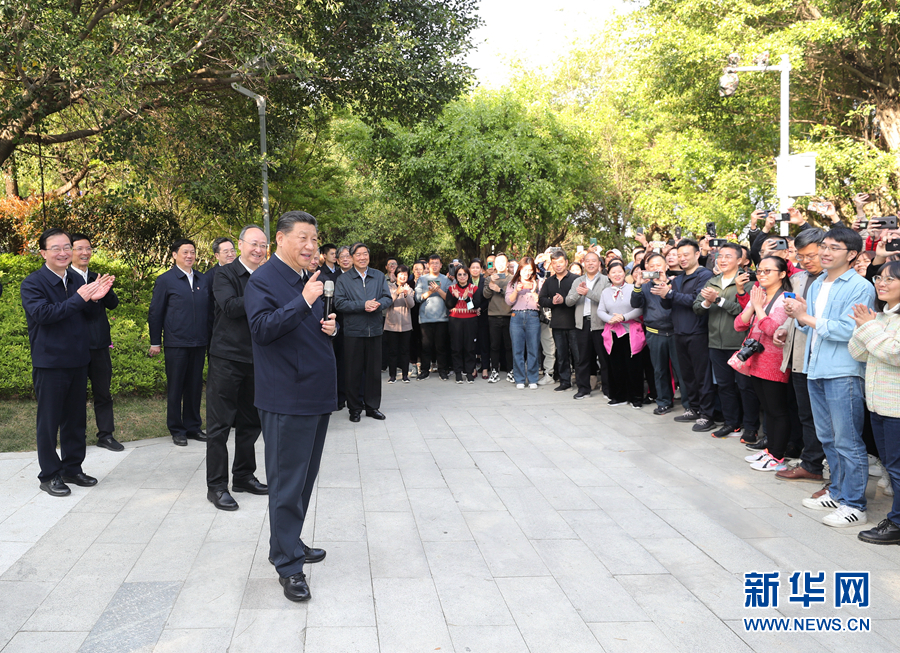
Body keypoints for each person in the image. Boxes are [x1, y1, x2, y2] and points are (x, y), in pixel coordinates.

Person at [244, 210, 336, 602]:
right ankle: (287, 565)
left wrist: (329, 326)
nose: (311, 246)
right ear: (280, 239)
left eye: (314, 238)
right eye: (303, 238)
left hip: (315, 392)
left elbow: (303, 326)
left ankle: (290, 540)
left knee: (304, 479)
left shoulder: (305, 278)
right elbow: (262, 330)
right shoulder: (263, 280)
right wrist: (303, 301)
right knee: (286, 483)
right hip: (286, 396)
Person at [786, 227, 876, 527]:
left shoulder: (861, 287)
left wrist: (805, 317)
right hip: (815, 368)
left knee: (847, 440)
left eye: (834, 248)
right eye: (824, 246)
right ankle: (837, 492)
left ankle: (855, 504)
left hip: (843, 371)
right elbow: (808, 325)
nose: (825, 252)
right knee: (827, 437)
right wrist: (798, 315)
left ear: (852, 255)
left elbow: (850, 330)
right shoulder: (817, 284)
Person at [20, 228, 115, 495]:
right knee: (49, 422)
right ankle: (49, 475)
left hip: (78, 359)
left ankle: (72, 468)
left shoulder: (75, 280)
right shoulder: (33, 283)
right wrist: (80, 298)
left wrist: (96, 299)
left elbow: (87, 314)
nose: (63, 253)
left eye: (66, 248)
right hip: (50, 362)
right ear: (43, 253)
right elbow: (44, 314)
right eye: (56, 248)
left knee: (75, 420)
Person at [205, 225, 269, 511]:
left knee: (251, 423)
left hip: (258, 359)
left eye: (263, 245)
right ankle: (216, 487)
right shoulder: (224, 274)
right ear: (241, 245)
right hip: (227, 359)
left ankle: (243, 476)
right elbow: (230, 307)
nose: (258, 250)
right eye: (254, 244)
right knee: (219, 426)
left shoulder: (267, 275)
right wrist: (266, 295)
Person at [849, 260, 900, 544]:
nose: (881, 283)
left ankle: (897, 523)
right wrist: (866, 327)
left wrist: (869, 329)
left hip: (897, 407)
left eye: (890, 279)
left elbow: (894, 353)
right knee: (892, 467)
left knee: (897, 468)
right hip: (878, 403)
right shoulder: (879, 317)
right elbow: (858, 352)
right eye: (879, 278)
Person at [773, 227, 827, 480]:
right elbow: (793, 314)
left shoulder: (834, 281)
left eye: (811, 255)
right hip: (797, 357)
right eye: (801, 256)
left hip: (822, 358)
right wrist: (784, 328)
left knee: (822, 417)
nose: (805, 261)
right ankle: (811, 462)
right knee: (805, 413)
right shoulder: (798, 279)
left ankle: (821, 463)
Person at [148, 239, 211, 446]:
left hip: (199, 342)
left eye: (192, 252)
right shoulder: (165, 280)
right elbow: (156, 312)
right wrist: (155, 341)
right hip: (176, 342)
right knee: (176, 387)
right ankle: (177, 429)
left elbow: (210, 311)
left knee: (194, 387)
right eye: (185, 252)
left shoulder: (203, 279)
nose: (189, 256)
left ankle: (193, 427)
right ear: (175, 255)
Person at [693, 242, 756, 439]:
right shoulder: (712, 282)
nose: (723, 260)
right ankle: (731, 423)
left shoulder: (748, 282)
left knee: (745, 387)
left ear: (740, 260)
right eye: (720, 256)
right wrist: (707, 301)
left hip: (739, 344)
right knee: (724, 386)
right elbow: (697, 308)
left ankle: (751, 427)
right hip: (715, 342)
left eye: (728, 256)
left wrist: (718, 300)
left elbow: (744, 312)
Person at [736, 257, 792, 471]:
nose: (762, 275)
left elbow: (772, 329)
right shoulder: (760, 295)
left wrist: (758, 307)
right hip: (757, 360)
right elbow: (739, 325)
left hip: (775, 361)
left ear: (782, 274)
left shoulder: (786, 299)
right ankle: (770, 450)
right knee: (768, 409)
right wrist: (753, 305)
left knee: (777, 410)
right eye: (760, 271)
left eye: (768, 271)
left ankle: (778, 456)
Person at [69, 233, 123, 452]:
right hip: (75, 346)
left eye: (88, 248)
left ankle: (106, 435)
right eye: (80, 248)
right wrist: (91, 298)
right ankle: (76, 437)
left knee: (103, 392)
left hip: (99, 345)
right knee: (76, 396)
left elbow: (113, 304)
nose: (85, 253)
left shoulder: (95, 277)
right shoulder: (65, 279)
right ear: (70, 251)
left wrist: (105, 291)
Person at [660, 239, 716, 431]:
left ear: (697, 254)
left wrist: (670, 294)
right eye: (679, 255)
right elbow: (668, 304)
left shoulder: (705, 275)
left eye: (686, 255)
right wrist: (664, 292)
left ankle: (707, 414)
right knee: (687, 375)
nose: (682, 259)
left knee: (702, 375)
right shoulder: (678, 279)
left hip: (698, 332)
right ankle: (693, 408)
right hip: (679, 331)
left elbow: (696, 300)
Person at [334, 242, 392, 422]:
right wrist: (362, 305)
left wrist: (378, 304)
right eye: (358, 254)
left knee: (374, 372)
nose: (362, 257)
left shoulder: (378, 275)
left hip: (375, 330)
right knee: (353, 372)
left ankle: (372, 407)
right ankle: (354, 409)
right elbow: (339, 303)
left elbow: (387, 297)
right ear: (352, 257)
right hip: (353, 331)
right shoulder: (343, 279)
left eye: (365, 253)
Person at [632, 253, 687, 415]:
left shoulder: (675, 283)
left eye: (659, 265)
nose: (655, 268)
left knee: (682, 370)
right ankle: (664, 401)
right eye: (652, 266)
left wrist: (666, 284)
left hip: (676, 332)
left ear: (666, 266)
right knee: (659, 370)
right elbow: (635, 304)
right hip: (655, 333)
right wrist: (637, 284)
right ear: (647, 268)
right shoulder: (644, 286)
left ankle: (689, 404)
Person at [597, 260, 645, 408]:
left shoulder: (633, 288)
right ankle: (619, 396)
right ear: (608, 275)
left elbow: (640, 308)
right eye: (613, 272)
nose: (617, 275)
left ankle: (636, 397)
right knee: (615, 365)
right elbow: (600, 310)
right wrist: (610, 319)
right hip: (613, 332)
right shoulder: (605, 292)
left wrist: (624, 317)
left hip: (631, 331)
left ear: (625, 273)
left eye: (620, 271)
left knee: (633, 366)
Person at [566, 251, 611, 399]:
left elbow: (607, 301)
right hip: (582, 324)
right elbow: (568, 301)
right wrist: (578, 294)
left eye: (594, 261)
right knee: (582, 359)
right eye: (588, 261)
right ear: (584, 263)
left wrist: (588, 293)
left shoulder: (606, 280)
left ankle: (608, 389)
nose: (590, 263)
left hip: (600, 324)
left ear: (599, 263)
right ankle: (583, 389)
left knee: (604, 359)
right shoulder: (577, 281)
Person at [538, 249, 579, 392]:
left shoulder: (575, 279)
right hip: (557, 323)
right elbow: (541, 300)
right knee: (561, 354)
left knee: (577, 355)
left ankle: (581, 383)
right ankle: (565, 381)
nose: (558, 265)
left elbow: (579, 298)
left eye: (560, 262)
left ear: (566, 262)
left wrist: (565, 300)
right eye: (555, 263)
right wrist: (552, 302)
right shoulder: (549, 281)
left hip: (574, 323)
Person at [505, 257, 542, 388]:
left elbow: (541, 302)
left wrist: (534, 291)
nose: (527, 273)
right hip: (516, 316)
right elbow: (509, 301)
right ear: (519, 269)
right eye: (525, 270)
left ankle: (532, 379)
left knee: (533, 349)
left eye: (530, 270)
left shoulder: (538, 282)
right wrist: (516, 290)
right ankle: (519, 379)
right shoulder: (512, 283)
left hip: (533, 315)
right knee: (517, 350)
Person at [415, 254, 451, 381]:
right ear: (428, 265)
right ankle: (425, 371)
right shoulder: (422, 279)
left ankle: (443, 370)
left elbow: (449, 299)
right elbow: (417, 298)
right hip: (425, 318)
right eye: (432, 263)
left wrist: (438, 290)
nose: (434, 265)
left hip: (442, 318)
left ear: (441, 265)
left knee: (441, 346)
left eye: (437, 263)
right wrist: (430, 291)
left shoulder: (446, 280)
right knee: (426, 346)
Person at [445, 264, 481, 383]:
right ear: (456, 276)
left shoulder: (474, 288)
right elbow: (449, 305)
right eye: (459, 274)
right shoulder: (451, 288)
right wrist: (456, 297)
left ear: (468, 276)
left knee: (469, 347)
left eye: (464, 274)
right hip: (455, 320)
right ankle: (458, 373)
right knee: (456, 347)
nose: (462, 276)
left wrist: (466, 299)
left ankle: (469, 372)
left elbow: (475, 305)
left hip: (470, 320)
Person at [483, 253, 515, 383]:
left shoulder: (512, 278)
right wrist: (491, 283)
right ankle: (494, 371)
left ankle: (510, 371)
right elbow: (486, 295)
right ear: (494, 264)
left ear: (507, 264)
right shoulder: (488, 278)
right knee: (494, 346)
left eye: (503, 262)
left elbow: (513, 296)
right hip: (493, 316)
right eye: (498, 262)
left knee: (509, 345)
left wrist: (499, 289)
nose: (500, 264)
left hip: (509, 315)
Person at [384, 265, 415, 383]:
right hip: (391, 325)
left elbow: (411, 305)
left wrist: (406, 294)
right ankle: (392, 376)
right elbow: (387, 303)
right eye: (401, 274)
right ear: (396, 276)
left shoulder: (409, 288)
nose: (403, 277)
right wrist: (397, 292)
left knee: (405, 351)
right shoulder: (389, 287)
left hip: (406, 325)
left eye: (405, 275)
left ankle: (405, 375)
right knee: (392, 351)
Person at [469, 259, 491, 379]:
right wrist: (472, 309)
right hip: (469, 315)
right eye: (473, 267)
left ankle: (485, 368)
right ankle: (472, 368)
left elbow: (488, 298)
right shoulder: (466, 281)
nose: (475, 270)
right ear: (469, 269)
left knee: (484, 342)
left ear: (481, 269)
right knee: (471, 343)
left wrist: (480, 309)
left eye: (477, 267)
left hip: (483, 315)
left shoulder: (485, 280)